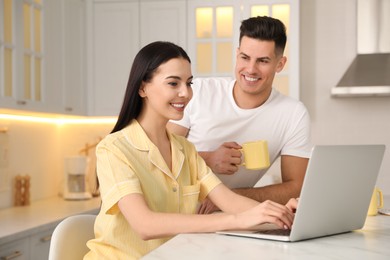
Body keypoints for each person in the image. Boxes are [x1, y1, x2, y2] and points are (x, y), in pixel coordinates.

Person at [84, 41, 298, 259]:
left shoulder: (186, 151)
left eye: (189, 83)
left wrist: (279, 214)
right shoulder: (113, 149)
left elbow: (231, 202)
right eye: (173, 83)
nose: (185, 93)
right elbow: (145, 225)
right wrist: (236, 220)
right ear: (142, 88)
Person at [167, 16, 311, 214]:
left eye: (263, 61)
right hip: (172, 212)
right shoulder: (198, 91)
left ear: (280, 64)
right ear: (237, 55)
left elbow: (296, 187)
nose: (251, 69)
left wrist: (228, 199)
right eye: (245, 57)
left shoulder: (293, 114)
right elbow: (157, 154)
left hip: (231, 218)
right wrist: (208, 159)